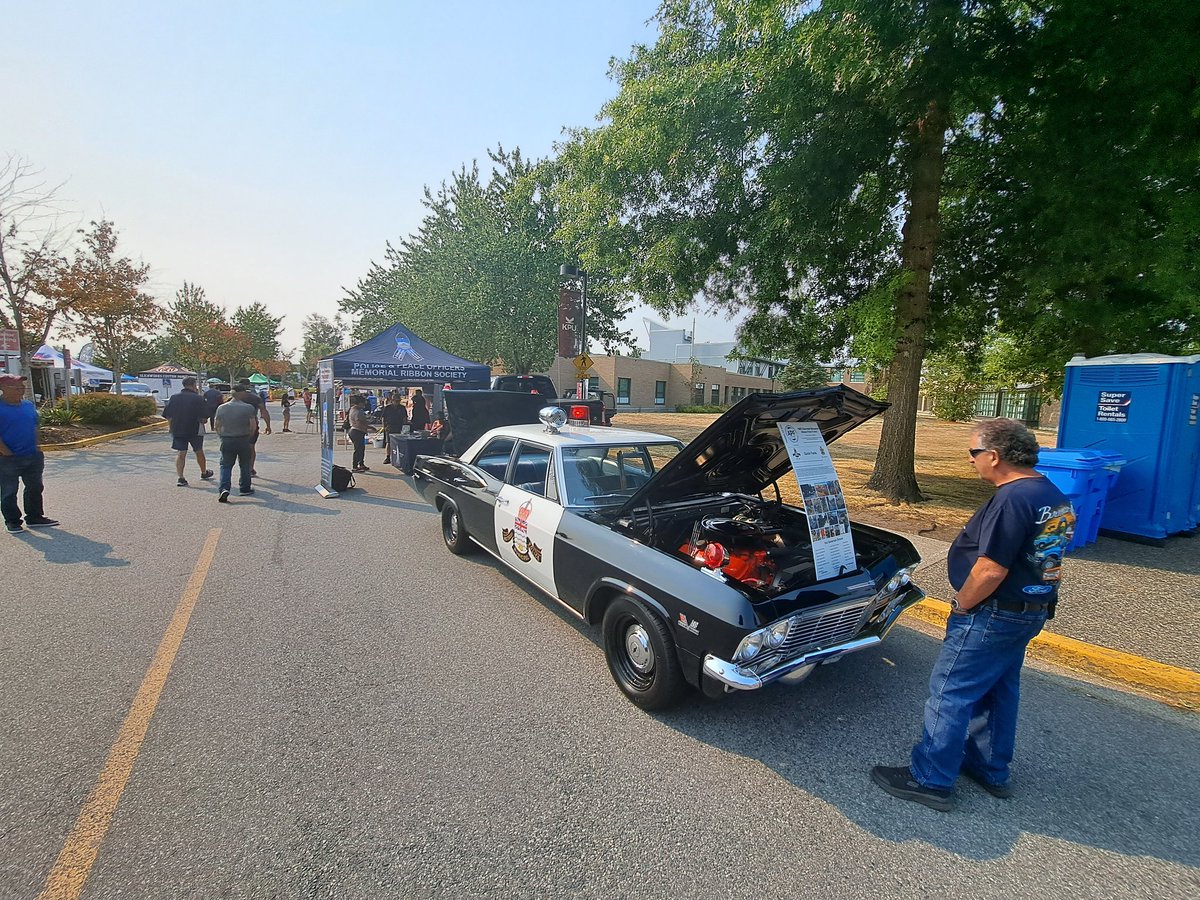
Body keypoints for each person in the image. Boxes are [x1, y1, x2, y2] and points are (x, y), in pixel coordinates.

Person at [872, 418, 1076, 811]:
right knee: (999, 689)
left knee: (951, 692)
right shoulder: (1051, 494)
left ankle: (930, 778)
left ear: (994, 456)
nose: (971, 462)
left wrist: (962, 605)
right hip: (1030, 608)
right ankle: (989, 767)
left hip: (993, 612)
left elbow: (990, 569)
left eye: (973, 453)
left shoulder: (1011, 500)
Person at [0, 374, 59, 533]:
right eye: (16, 387)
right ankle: (13, 521)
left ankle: (34, 517)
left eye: (22, 386)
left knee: (35, 487)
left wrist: (37, 446)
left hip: (32, 455)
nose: (21, 389)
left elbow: (34, 426)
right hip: (7, 458)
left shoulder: (27, 405)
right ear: (3, 388)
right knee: (9, 491)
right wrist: (5, 452)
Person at [162, 376, 213, 486]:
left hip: (178, 429)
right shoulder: (199, 399)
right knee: (199, 451)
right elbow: (204, 419)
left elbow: (168, 415)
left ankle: (181, 477)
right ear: (194, 385)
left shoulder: (174, 398)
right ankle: (204, 472)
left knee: (181, 453)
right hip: (195, 429)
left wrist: (171, 427)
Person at [214, 385, 259, 502]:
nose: (246, 394)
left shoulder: (221, 408)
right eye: (244, 392)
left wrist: (221, 436)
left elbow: (217, 425)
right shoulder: (248, 408)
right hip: (243, 439)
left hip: (227, 439)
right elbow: (253, 426)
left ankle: (224, 488)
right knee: (244, 464)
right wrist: (249, 437)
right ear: (240, 394)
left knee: (225, 465)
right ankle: (244, 488)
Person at [235, 379, 272, 475]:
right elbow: (264, 412)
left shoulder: (234, 397)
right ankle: (250, 468)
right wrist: (268, 426)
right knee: (251, 447)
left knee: (241, 448)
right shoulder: (255, 398)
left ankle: (243, 468)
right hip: (252, 425)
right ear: (248, 385)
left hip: (237, 425)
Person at [379, 392, 409, 463]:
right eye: (396, 401)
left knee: (399, 442)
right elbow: (383, 418)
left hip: (399, 426)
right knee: (388, 442)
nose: (397, 402)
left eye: (399, 401)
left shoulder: (402, 408)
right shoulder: (387, 408)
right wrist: (384, 426)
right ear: (392, 400)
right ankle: (388, 457)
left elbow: (405, 418)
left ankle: (399, 456)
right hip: (389, 426)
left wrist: (405, 426)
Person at [347, 393, 372, 473]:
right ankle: (355, 466)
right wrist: (369, 427)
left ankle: (361, 463)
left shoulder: (352, 409)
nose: (364, 404)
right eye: (363, 403)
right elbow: (360, 423)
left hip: (355, 431)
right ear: (359, 403)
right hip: (357, 431)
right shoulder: (358, 411)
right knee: (358, 449)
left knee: (361, 448)